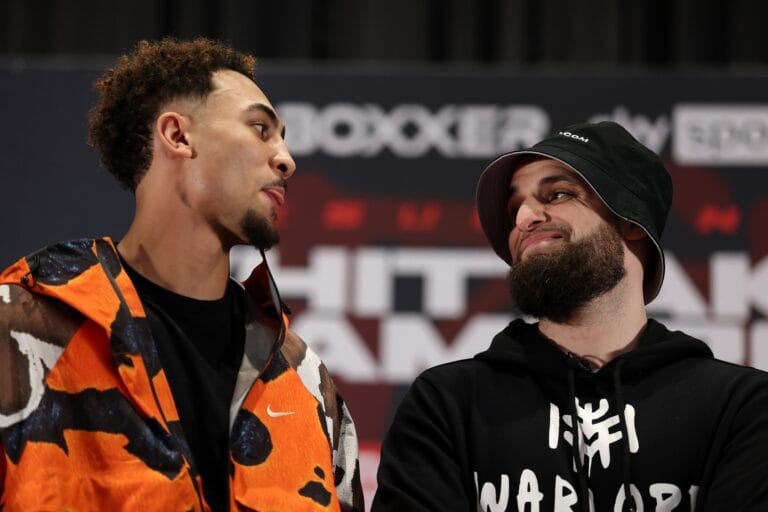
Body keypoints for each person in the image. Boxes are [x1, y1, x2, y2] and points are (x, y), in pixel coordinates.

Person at [0, 38, 363, 512]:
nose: (286, 159)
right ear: (177, 135)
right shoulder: (23, 328)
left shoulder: (306, 381)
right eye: (260, 129)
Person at [372, 121, 768, 511]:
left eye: (557, 194)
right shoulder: (447, 403)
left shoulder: (740, 408)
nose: (525, 217)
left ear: (630, 221)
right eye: (515, 208)